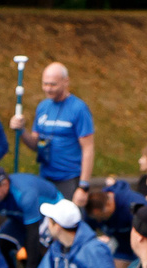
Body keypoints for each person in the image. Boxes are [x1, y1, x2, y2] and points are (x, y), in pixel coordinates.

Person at [13, 61, 95, 201]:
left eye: (53, 84)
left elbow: (88, 148)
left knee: (68, 221)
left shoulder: (79, 109)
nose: (48, 89)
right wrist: (21, 130)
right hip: (45, 177)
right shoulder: (42, 107)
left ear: (65, 82)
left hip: (69, 178)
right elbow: (35, 144)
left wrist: (83, 186)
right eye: (45, 84)